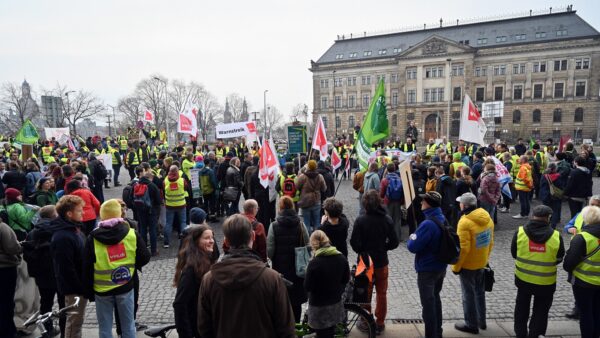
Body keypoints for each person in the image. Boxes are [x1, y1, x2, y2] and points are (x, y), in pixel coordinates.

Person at [198, 214, 296, 338]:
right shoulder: (272, 278)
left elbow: (204, 327)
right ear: (253, 236)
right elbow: (286, 327)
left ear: (226, 241)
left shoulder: (209, 279)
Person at [82, 199, 151, 338]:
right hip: (125, 284)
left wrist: (88, 291)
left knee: (105, 327)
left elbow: (86, 266)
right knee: (128, 325)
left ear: (102, 215)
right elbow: (145, 257)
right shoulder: (131, 233)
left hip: (102, 289)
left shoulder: (92, 237)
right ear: (119, 214)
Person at [511, 205, 564, 338]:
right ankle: (536, 334)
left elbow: (514, 253)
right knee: (541, 310)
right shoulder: (556, 236)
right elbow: (559, 257)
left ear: (532, 216)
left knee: (521, 308)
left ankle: (520, 333)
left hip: (523, 279)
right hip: (546, 281)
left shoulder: (520, 232)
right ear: (548, 218)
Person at [350, 190, 399, 334]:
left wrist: (363, 250)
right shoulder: (387, 219)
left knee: (365, 292)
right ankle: (380, 322)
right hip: (381, 261)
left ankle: (366, 321)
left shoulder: (361, 220)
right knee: (381, 293)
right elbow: (395, 242)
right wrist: (383, 247)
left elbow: (354, 243)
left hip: (365, 262)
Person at [452, 193, 494, 334]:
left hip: (468, 265)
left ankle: (471, 324)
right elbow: (490, 241)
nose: (459, 205)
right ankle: (481, 321)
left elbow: (463, 249)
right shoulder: (487, 217)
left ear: (464, 205)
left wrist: (456, 267)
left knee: (468, 295)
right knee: (479, 293)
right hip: (481, 262)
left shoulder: (464, 222)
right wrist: (485, 259)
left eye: (460, 203)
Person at [407, 191, 447, 338]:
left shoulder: (428, 224)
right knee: (435, 299)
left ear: (428, 204)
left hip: (427, 269)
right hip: (440, 267)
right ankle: (438, 331)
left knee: (428, 305)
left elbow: (412, 246)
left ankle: (431, 334)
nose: (421, 203)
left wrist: (412, 236)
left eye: (423, 201)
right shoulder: (441, 217)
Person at [49, 195, 89, 338]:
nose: (83, 213)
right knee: (74, 323)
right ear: (69, 214)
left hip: (79, 285)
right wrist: (80, 288)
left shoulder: (74, 229)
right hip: (74, 289)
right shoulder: (63, 236)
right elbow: (66, 268)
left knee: (77, 321)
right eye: (79, 211)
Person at [23, 205, 66, 337]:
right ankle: (65, 331)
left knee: (46, 303)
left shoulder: (32, 232)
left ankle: (46, 330)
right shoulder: (58, 230)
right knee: (63, 304)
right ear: (54, 216)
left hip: (41, 275)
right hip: (58, 273)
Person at [267, 196, 309, 323]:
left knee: (281, 299)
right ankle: (296, 325)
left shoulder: (274, 226)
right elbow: (307, 244)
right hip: (298, 269)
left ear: (280, 208)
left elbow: (270, 250)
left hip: (281, 268)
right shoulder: (301, 225)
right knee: (296, 301)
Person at [173, 225, 216, 338]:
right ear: (196, 241)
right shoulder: (191, 269)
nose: (211, 241)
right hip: (196, 328)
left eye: (212, 237)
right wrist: (186, 334)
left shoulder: (206, 260)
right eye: (207, 238)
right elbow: (179, 303)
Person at [304, 230, 349, 337]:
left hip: (318, 308)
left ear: (313, 245)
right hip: (335, 304)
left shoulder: (314, 263)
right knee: (330, 332)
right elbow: (345, 279)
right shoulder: (341, 258)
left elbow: (307, 286)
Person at [563, 206, 600, 338]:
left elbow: (568, 263)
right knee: (597, 311)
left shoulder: (582, 238)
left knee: (585, 313)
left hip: (583, 282)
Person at [0, 213, 22, 338]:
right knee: (6, 302)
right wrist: (20, 247)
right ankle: (8, 332)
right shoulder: (3, 227)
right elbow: (12, 247)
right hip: (5, 269)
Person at [296, 160, 327, 233]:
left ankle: (308, 240)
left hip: (305, 201)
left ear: (308, 166)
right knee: (317, 222)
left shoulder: (303, 176)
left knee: (306, 222)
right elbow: (324, 188)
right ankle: (317, 238)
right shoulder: (320, 176)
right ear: (316, 167)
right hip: (316, 201)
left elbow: (296, 186)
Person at [163, 165, 189, 248]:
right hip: (181, 204)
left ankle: (166, 242)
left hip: (169, 205)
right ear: (177, 171)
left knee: (168, 223)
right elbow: (186, 188)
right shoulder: (182, 180)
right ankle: (184, 242)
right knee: (183, 223)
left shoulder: (165, 180)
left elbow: (163, 189)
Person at [379, 162, 404, 241]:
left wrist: (381, 199)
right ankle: (397, 237)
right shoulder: (400, 178)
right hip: (397, 201)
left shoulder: (385, 180)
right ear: (394, 169)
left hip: (388, 201)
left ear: (387, 169)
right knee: (397, 219)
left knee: (388, 219)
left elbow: (382, 193)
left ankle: (388, 237)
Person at [540, 163, 563, 229]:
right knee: (555, 211)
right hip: (555, 196)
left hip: (545, 195)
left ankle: (545, 224)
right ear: (555, 169)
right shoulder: (558, 176)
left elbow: (541, 185)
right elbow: (561, 186)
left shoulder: (544, 176)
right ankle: (553, 225)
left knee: (545, 210)